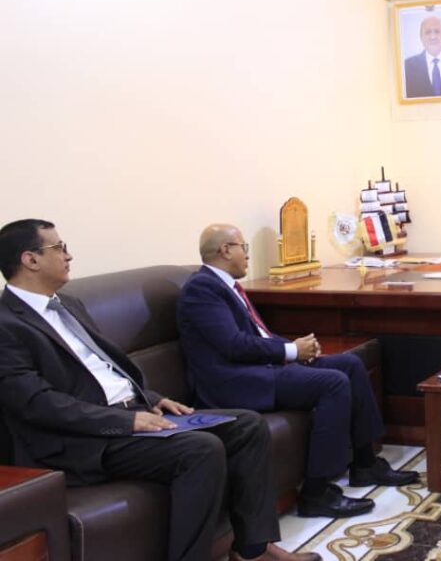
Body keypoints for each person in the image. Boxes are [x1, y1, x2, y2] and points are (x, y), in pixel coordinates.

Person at [0, 219, 319, 561]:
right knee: (201, 449)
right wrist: (126, 422)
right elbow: (37, 404)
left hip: (129, 414)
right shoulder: (7, 325)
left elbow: (108, 369)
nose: (68, 255)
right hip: (84, 439)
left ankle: (253, 551)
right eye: (59, 248)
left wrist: (152, 399)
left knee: (247, 426)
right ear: (30, 259)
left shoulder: (67, 305)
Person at [177, 224, 417, 520]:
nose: (248, 256)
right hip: (235, 382)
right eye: (244, 247)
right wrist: (291, 351)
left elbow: (259, 335)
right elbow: (233, 345)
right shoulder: (202, 289)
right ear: (226, 250)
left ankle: (366, 464)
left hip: (258, 369)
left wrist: (297, 347)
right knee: (332, 383)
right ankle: (316, 493)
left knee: (350, 365)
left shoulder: (225, 286)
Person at [403, 14, 441, 98]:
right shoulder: (406, 67)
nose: (433, 37)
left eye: (437, 31)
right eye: (428, 32)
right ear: (421, 37)